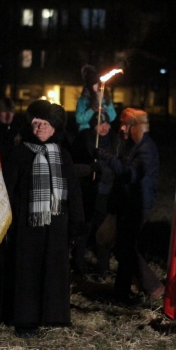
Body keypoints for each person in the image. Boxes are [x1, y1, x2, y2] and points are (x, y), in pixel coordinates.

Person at [0, 100, 84, 337]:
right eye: (37, 123)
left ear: (55, 127)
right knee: (27, 274)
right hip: (26, 227)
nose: (41, 127)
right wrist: (6, 222)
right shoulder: (20, 153)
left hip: (56, 226)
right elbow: (8, 189)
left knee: (52, 272)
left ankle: (51, 316)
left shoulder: (63, 155)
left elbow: (73, 191)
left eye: (46, 123)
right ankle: (26, 321)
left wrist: (76, 224)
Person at [95, 108, 162, 303]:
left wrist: (108, 158)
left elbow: (129, 174)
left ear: (136, 127)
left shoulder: (146, 149)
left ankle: (152, 286)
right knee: (123, 248)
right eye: (121, 124)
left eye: (126, 125)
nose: (122, 128)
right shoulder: (130, 145)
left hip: (139, 204)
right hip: (127, 203)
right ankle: (122, 292)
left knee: (126, 248)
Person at [70, 110, 119, 276]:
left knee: (103, 230)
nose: (104, 127)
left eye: (106, 123)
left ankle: (103, 267)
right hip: (88, 192)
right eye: (100, 124)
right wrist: (91, 168)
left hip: (106, 193)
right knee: (85, 228)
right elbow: (77, 162)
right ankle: (78, 263)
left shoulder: (114, 140)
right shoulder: (85, 138)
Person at [75, 65, 116, 132]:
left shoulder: (106, 98)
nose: (97, 86)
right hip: (88, 130)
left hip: (103, 130)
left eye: (98, 84)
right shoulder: (83, 100)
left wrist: (104, 111)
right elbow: (79, 119)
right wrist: (92, 110)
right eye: (94, 84)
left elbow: (112, 117)